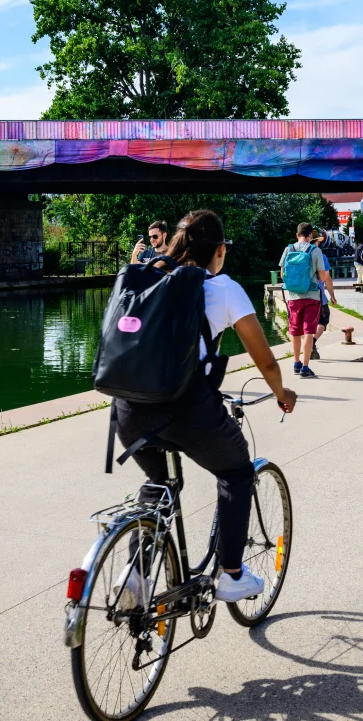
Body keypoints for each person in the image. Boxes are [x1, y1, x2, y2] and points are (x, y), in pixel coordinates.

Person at [115, 210, 297, 602]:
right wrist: (282, 393)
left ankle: (135, 580)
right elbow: (264, 359)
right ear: (219, 250)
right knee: (235, 471)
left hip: (128, 408)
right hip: (184, 409)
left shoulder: (149, 275)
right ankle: (232, 574)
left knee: (158, 484)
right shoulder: (223, 287)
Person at [279, 223, 328, 379]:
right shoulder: (315, 251)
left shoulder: (288, 249)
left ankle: (296, 363)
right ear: (310, 236)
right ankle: (305, 367)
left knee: (295, 331)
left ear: (297, 234)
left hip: (293, 297)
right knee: (308, 331)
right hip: (312, 297)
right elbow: (322, 277)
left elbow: (282, 275)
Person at [309, 230, 338, 360]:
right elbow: (327, 279)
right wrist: (332, 295)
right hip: (318, 296)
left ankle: (306, 348)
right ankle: (312, 344)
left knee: (307, 323)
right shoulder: (321, 256)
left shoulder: (296, 253)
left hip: (300, 295)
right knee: (323, 321)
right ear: (317, 242)